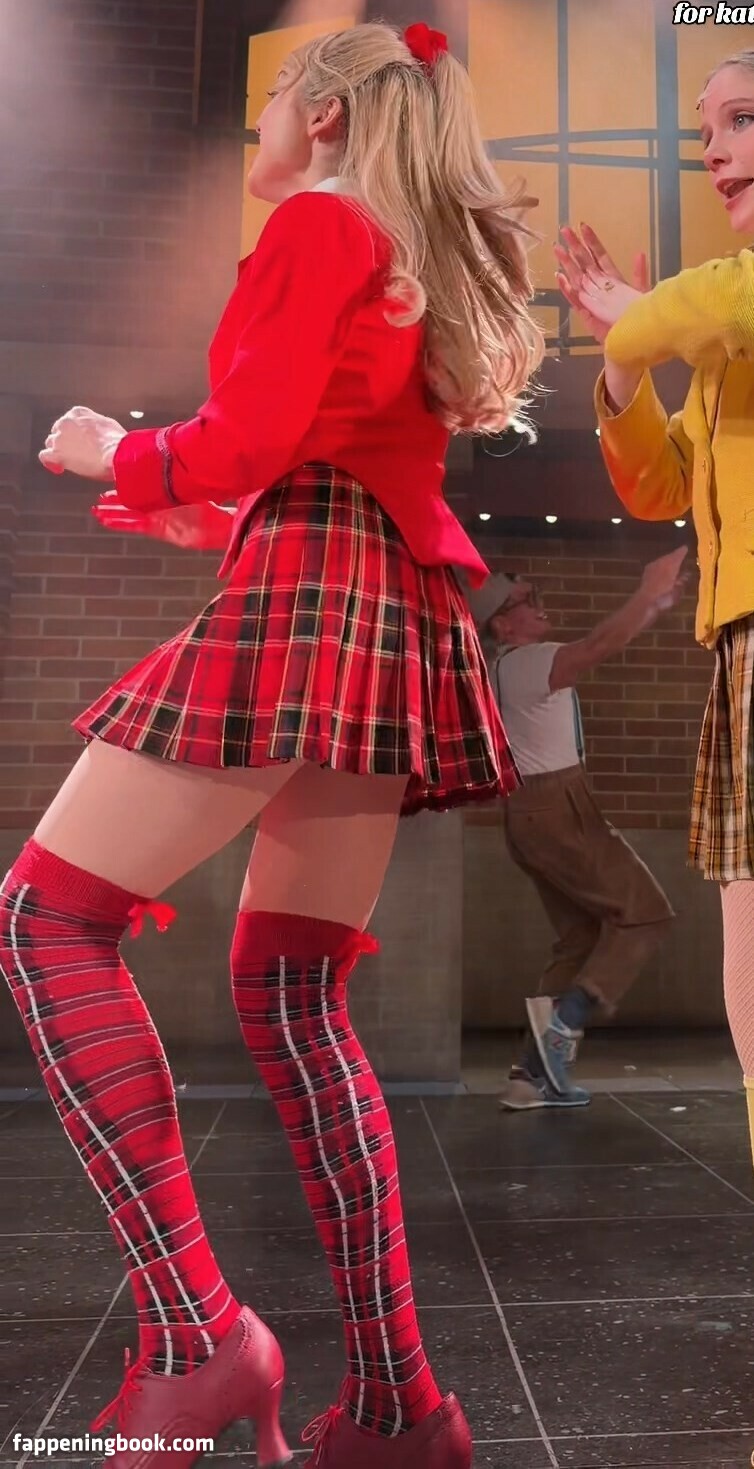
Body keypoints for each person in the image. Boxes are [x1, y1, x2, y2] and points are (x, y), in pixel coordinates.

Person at [0, 21, 544, 1469]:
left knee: (46, 919)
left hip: (315, 599)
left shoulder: (317, 221)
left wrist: (115, 451)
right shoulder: (403, 248)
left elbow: (244, 438)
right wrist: (203, 503)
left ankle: (198, 1338)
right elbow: (326, 458)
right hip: (384, 609)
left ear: (326, 111)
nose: (259, 126)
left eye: (272, 102)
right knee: (295, 999)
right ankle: (397, 1408)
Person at [555, 51, 754, 1184]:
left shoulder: (723, 301)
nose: (713, 150)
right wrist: (621, 369)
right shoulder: (715, 327)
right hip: (737, 639)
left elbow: (720, 301)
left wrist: (640, 320)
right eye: (706, 130)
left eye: (741, 119)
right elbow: (658, 485)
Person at [464, 557, 682, 1111]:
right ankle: (565, 1026)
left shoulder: (508, 666)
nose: (541, 606)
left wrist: (652, 604)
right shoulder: (527, 661)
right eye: (527, 600)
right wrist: (647, 593)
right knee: (647, 914)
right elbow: (599, 646)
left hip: (532, 814)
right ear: (502, 624)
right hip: (557, 808)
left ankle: (530, 1076)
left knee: (581, 938)